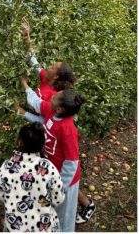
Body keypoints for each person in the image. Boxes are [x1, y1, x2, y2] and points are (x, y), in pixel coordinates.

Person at [18, 18, 96, 225]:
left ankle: (82, 206)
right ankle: (76, 206)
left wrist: (25, 88)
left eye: (53, 66)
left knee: (66, 191)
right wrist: (27, 38)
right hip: (49, 145)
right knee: (59, 188)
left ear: (56, 76)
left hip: (52, 146)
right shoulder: (48, 84)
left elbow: (38, 107)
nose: (48, 66)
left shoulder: (54, 100)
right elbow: (34, 62)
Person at [21, 77, 84, 232]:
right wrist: (25, 86)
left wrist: (61, 186)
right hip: (51, 174)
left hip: (65, 182)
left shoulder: (68, 129)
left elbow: (71, 161)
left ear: (60, 109)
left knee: (65, 216)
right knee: (52, 211)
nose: (52, 96)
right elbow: (36, 103)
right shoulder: (52, 112)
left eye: (55, 97)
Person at [0, 122, 65, 232]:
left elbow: (1, 194)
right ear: (42, 145)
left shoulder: (5, 168)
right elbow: (58, 198)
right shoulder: (48, 168)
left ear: (19, 142)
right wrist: (41, 201)